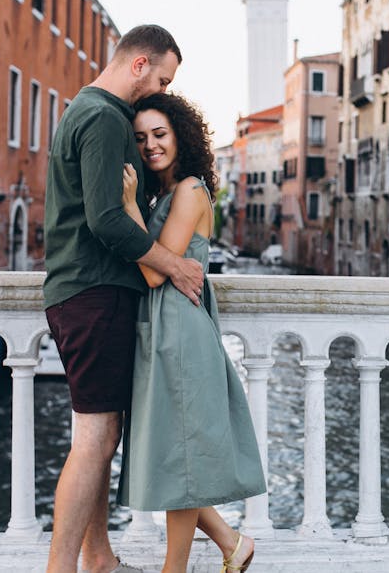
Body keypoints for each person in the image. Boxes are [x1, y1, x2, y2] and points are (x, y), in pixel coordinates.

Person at [43, 25, 205, 573]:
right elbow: (107, 219)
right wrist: (174, 264)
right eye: (161, 79)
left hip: (78, 293)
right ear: (139, 65)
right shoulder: (106, 117)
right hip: (95, 293)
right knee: (96, 438)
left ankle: (98, 559)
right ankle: (62, 568)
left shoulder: (81, 109)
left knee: (97, 434)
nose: (160, 90)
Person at [118, 93, 266, 573]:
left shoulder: (189, 190)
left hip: (179, 332)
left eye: (160, 134)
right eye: (141, 138)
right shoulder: (165, 193)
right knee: (171, 453)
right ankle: (233, 544)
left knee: (180, 458)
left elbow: (152, 272)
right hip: (165, 330)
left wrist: (127, 205)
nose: (151, 145)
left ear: (181, 134)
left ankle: (174, 570)